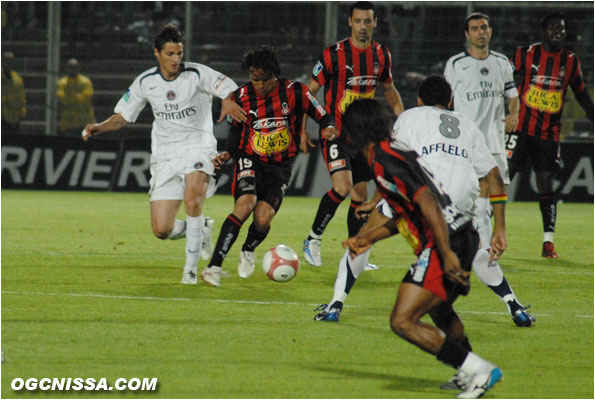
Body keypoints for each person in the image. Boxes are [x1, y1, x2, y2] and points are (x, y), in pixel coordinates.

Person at [315, 76, 535, 330]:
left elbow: (392, 157)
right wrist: (499, 228)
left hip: (422, 190)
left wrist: (376, 200)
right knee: (475, 251)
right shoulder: (468, 124)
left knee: (364, 238)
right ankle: (515, 306)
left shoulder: (410, 117)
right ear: (450, 101)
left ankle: (335, 305)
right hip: (460, 196)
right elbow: (494, 176)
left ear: (419, 100)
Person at [340, 98, 503, 399]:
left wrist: (446, 252)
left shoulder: (383, 159)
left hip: (448, 240)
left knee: (402, 321)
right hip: (459, 234)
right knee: (440, 311)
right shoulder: (393, 152)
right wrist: (369, 238)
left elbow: (427, 201)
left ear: (355, 131)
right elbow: (408, 210)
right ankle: (467, 371)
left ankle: (477, 369)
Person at [82, 24, 246, 284]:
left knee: (193, 202)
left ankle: (190, 272)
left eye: (179, 53)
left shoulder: (197, 73)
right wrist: (99, 127)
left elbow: (231, 88)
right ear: (156, 53)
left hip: (198, 147)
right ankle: (202, 228)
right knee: (161, 230)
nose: (176, 59)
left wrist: (227, 98)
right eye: (170, 54)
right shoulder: (145, 82)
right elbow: (124, 116)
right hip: (165, 156)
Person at [200, 45, 337, 287]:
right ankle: (214, 265)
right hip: (249, 159)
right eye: (255, 79)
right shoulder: (241, 96)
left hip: (280, 167)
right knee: (245, 204)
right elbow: (235, 130)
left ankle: (248, 249)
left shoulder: (295, 92)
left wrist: (327, 127)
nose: (260, 85)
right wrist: (228, 154)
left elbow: (322, 115)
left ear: (276, 74)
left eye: (265, 80)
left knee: (263, 219)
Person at [301, 1, 405, 267]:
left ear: (375, 23)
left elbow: (389, 89)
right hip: (335, 133)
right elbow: (309, 93)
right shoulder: (333, 55)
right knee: (342, 187)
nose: (362, 27)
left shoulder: (381, 55)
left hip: (364, 137)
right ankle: (313, 237)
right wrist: (302, 128)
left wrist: (403, 120)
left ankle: (355, 249)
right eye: (357, 21)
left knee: (360, 195)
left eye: (367, 21)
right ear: (349, 22)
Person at [508, 13, 594, 258]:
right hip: (520, 129)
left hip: (548, 134)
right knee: (503, 179)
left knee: (546, 186)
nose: (559, 32)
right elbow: (503, 79)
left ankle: (548, 242)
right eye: (554, 28)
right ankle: (485, 235)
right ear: (544, 30)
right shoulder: (525, 54)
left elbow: (581, 94)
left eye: (562, 29)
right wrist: (506, 108)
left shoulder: (571, 61)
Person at [443, 13, 519, 264]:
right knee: (478, 192)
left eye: (484, 27)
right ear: (467, 35)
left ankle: (484, 245)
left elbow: (513, 94)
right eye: (475, 29)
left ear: (491, 31)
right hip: (468, 140)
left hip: (495, 140)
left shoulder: (501, 62)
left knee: (496, 189)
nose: (480, 32)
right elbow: (445, 101)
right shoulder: (455, 64)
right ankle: (483, 246)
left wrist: (514, 113)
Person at [57, 58, 97, 137]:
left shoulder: (86, 81)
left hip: (85, 122)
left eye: (75, 67)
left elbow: (86, 99)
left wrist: (70, 98)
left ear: (79, 68)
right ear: (66, 68)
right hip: (68, 123)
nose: (72, 69)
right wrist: (78, 96)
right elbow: (62, 99)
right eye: (70, 67)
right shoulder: (62, 83)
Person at [1, 51, 27, 134]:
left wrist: (22, 111)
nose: (9, 64)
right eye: (7, 61)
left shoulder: (17, 78)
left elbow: (21, 96)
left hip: (14, 117)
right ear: (2, 62)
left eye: (11, 62)